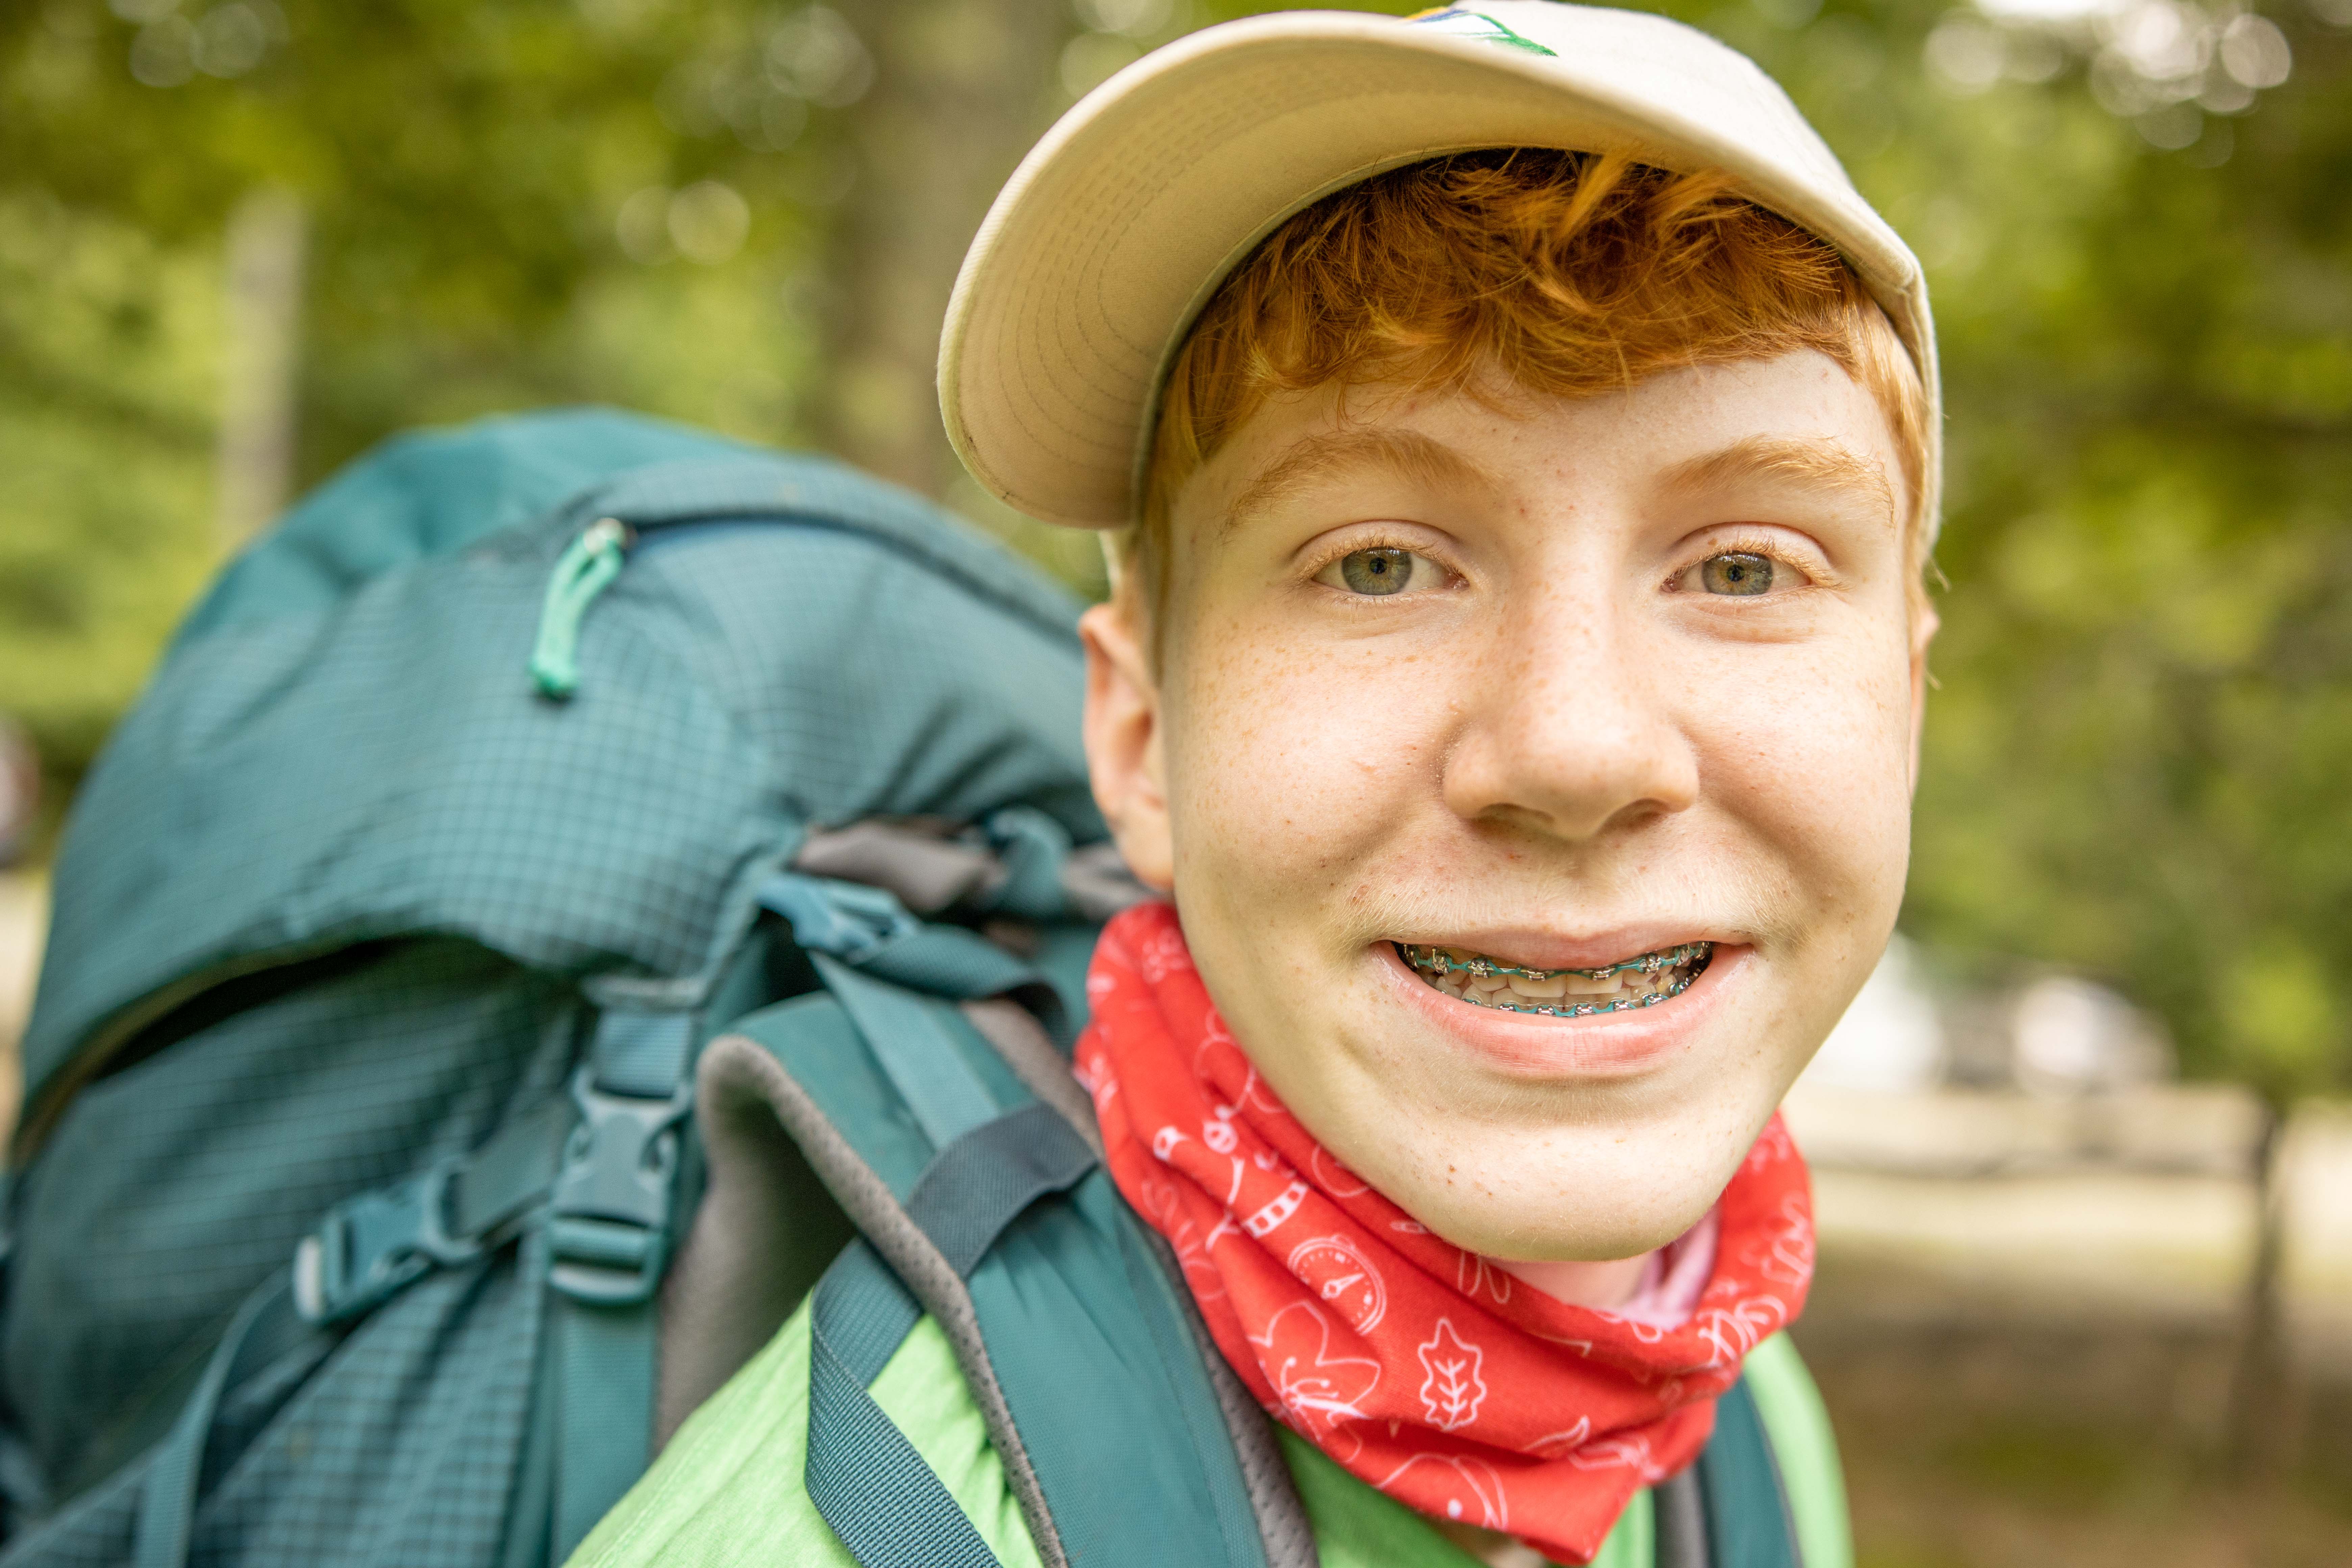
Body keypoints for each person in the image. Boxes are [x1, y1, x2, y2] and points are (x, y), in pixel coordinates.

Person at [574, 3, 1937, 1563]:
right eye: (1378, 565)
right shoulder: (857, 1524)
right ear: (1142, 733)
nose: (1574, 749)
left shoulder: (1744, 1426)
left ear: (1907, 701)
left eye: (1747, 566)